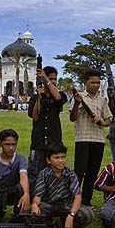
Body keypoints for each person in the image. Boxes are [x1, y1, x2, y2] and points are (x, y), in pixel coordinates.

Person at [69, 69, 112, 211]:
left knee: (92, 173)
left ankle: (87, 202)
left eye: (98, 83)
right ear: (85, 82)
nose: (95, 85)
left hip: (98, 140)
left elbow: (108, 121)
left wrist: (102, 122)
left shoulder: (102, 100)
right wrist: (77, 103)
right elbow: (72, 118)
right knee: (79, 171)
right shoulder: (79, 97)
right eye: (92, 82)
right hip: (82, 138)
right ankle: (74, 200)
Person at [30, 143, 94, 228]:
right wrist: (35, 205)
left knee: (88, 215)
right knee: (32, 211)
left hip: (67, 205)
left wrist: (71, 215)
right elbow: (38, 196)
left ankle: (68, 225)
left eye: (63, 157)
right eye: (56, 158)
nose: (61, 161)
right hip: (49, 205)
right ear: (48, 160)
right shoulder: (43, 174)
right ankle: (48, 226)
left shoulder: (70, 174)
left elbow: (78, 197)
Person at [27, 66, 67, 195]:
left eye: (55, 79)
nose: (53, 81)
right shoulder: (34, 97)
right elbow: (35, 116)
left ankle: (51, 197)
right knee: (34, 173)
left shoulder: (60, 95)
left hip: (54, 141)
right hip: (38, 140)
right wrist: (39, 97)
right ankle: (34, 199)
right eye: (51, 78)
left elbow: (58, 98)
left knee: (54, 172)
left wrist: (46, 79)